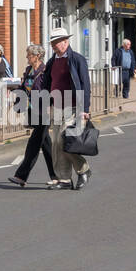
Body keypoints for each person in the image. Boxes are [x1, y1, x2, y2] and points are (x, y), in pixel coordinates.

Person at [40, 30, 93, 190]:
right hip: (56, 106)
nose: (54, 46)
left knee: (66, 140)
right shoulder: (52, 61)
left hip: (73, 106)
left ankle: (83, 169)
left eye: (56, 43)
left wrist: (85, 109)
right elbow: (47, 83)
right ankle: (64, 179)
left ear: (65, 41)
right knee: (56, 142)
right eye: (52, 43)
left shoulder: (77, 59)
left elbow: (85, 85)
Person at [8, 43, 62, 188]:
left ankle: (21, 175)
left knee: (34, 143)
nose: (27, 57)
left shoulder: (45, 70)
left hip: (43, 111)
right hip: (32, 110)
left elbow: (51, 88)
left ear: (37, 56)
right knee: (46, 145)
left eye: (29, 55)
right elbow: (23, 88)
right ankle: (57, 175)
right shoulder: (28, 70)